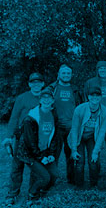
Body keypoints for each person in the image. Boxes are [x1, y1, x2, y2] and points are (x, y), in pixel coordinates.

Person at [3, 72, 45, 206]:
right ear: (29, 84)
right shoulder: (22, 98)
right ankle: (12, 194)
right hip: (21, 137)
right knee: (17, 166)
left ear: (43, 84)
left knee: (35, 167)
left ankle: (33, 194)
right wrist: (9, 136)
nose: (36, 84)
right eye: (33, 82)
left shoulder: (46, 98)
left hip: (37, 138)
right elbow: (14, 117)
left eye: (39, 82)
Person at [16, 89, 59, 204]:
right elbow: (30, 142)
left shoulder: (53, 114)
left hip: (44, 150)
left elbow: (54, 136)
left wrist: (51, 154)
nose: (46, 100)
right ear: (40, 100)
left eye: (49, 98)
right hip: (29, 153)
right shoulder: (30, 118)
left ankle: (42, 193)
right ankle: (31, 195)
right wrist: (40, 157)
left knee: (54, 175)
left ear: (53, 100)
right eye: (43, 98)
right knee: (45, 177)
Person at [68, 85, 106, 188]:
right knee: (79, 161)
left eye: (97, 95)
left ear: (101, 97)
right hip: (79, 137)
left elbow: (102, 132)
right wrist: (74, 149)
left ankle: (93, 185)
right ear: (88, 96)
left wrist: (96, 151)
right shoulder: (79, 109)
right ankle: (79, 186)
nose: (95, 97)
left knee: (93, 161)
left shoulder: (105, 112)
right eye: (92, 95)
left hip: (92, 137)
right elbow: (74, 129)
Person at [46, 64, 83, 184]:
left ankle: (71, 179)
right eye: (63, 73)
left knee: (71, 153)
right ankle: (51, 179)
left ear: (71, 75)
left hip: (72, 127)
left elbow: (80, 107)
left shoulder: (75, 90)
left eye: (68, 73)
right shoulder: (51, 89)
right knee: (53, 154)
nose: (66, 75)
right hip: (55, 126)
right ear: (58, 74)